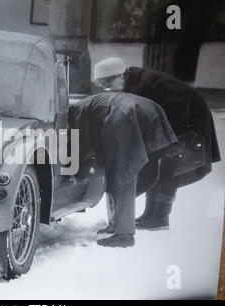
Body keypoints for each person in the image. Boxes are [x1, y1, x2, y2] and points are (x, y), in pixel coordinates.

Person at [92, 57, 221, 231]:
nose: (105, 89)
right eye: (101, 85)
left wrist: (172, 138)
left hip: (189, 119)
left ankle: (160, 217)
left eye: (106, 83)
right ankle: (149, 214)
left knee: (172, 167)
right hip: (171, 121)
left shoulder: (149, 82)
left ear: (118, 76)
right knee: (156, 165)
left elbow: (179, 105)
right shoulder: (133, 83)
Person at [68, 84, 177, 248]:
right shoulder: (86, 103)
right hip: (147, 109)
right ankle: (117, 224)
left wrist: (71, 166)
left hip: (126, 114)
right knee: (123, 171)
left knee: (122, 173)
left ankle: (124, 235)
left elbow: (80, 141)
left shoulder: (74, 110)